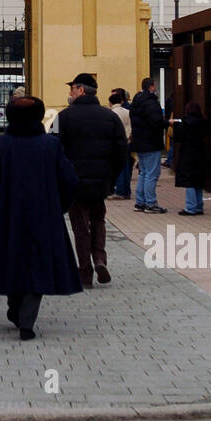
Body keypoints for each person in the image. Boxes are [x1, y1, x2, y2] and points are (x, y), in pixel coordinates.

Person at [0, 96, 82, 338]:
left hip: (7, 215)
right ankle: (26, 318)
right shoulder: (50, 145)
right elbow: (69, 180)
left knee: (12, 260)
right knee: (38, 263)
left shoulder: (1, 145)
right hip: (43, 215)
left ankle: (17, 308)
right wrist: (60, 206)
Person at [57, 73, 128, 286]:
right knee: (98, 219)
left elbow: (54, 149)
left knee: (80, 226)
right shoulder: (110, 117)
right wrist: (112, 177)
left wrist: (61, 178)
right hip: (101, 181)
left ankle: (85, 271)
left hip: (75, 182)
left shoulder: (64, 117)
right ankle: (99, 258)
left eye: (72, 88)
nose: (70, 92)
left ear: (80, 90)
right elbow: (121, 150)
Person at [130, 78, 168, 212]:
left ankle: (140, 202)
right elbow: (156, 121)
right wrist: (168, 123)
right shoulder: (150, 102)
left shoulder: (136, 101)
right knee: (152, 174)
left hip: (139, 142)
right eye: (154, 86)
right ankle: (150, 203)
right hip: (151, 142)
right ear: (151, 87)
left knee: (143, 173)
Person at [172, 100, 209, 214]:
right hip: (200, 152)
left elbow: (178, 138)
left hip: (188, 153)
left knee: (189, 181)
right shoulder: (203, 122)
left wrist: (176, 125)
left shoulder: (185, 123)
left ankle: (190, 207)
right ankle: (199, 206)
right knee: (198, 180)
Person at [108, 90, 133, 198]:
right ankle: (126, 190)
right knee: (126, 167)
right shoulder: (127, 111)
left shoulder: (111, 113)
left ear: (110, 102)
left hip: (115, 143)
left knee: (117, 167)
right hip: (127, 141)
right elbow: (131, 127)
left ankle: (119, 191)